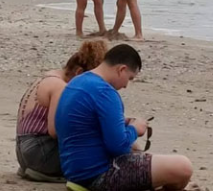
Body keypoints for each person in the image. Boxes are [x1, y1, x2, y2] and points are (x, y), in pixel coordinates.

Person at [55, 44, 193, 191]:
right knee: (183, 167)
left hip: (74, 172)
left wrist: (121, 123)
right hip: (97, 176)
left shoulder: (78, 81)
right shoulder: (105, 92)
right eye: (130, 78)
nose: (126, 85)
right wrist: (135, 129)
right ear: (122, 69)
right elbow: (118, 147)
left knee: (142, 154)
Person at [16, 40, 108, 183]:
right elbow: (55, 131)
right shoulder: (61, 88)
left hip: (24, 149)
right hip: (40, 151)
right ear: (78, 72)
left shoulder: (49, 76)